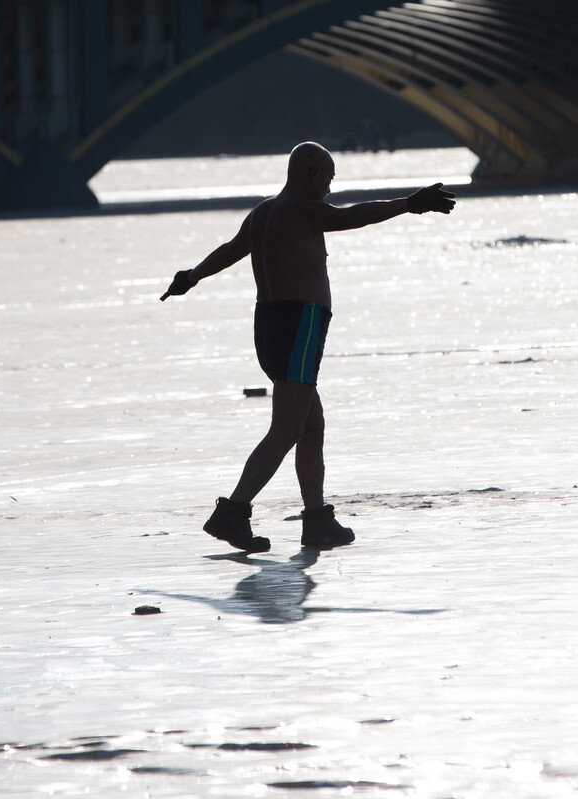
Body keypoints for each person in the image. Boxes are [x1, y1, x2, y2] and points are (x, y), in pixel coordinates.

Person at [160, 142, 456, 553]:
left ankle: (316, 521)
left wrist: (192, 276)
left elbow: (230, 251)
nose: (330, 190)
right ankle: (232, 512)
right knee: (285, 430)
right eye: (329, 180)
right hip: (299, 324)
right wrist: (410, 203)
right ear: (313, 174)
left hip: (269, 326)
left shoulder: (263, 212)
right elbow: (354, 216)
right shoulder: (300, 208)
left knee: (309, 425)